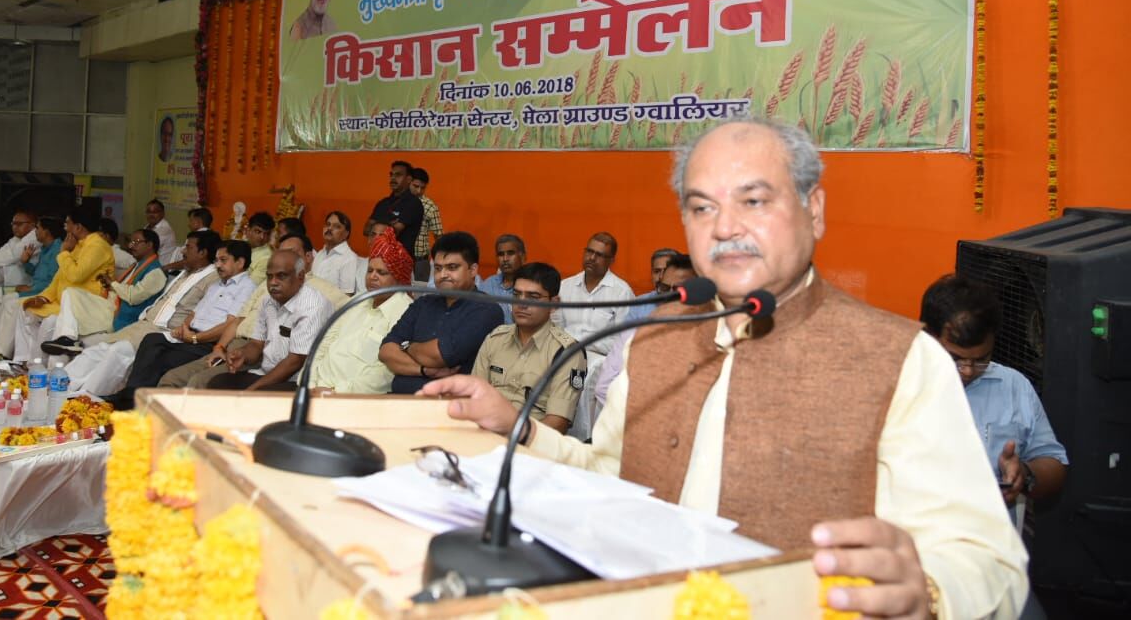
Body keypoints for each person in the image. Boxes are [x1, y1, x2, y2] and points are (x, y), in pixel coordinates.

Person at [422, 117, 1028, 619]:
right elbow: (613, 477)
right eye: (702, 207)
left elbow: (987, 558)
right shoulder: (653, 338)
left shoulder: (899, 358)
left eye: (754, 200)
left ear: (813, 210)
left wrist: (926, 591)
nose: (726, 228)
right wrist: (520, 427)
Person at [920, 274, 1068, 510]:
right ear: (926, 336)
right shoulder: (893, 383)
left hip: (988, 542)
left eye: (981, 360)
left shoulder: (1013, 387)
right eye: (954, 358)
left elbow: (1054, 463)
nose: (967, 371)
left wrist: (1025, 475)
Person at [61, 231, 219, 392]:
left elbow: (203, 315)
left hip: (165, 332)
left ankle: (88, 397)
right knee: (100, 348)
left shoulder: (213, 279)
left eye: (188, 247)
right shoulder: (185, 273)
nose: (183, 251)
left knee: (118, 351)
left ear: (203, 253)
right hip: (145, 324)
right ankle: (61, 384)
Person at [105, 239, 254, 409]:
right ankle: (132, 395)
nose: (217, 265)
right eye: (216, 260)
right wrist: (184, 328)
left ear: (240, 262)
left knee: (162, 357)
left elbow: (230, 324)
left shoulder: (246, 287)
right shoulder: (217, 284)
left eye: (223, 260)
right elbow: (194, 312)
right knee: (152, 339)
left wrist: (196, 337)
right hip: (190, 335)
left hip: (207, 342)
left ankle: (135, 402)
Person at [379, 231, 503, 395]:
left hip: (448, 408)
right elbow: (386, 352)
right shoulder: (423, 303)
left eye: (452, 267)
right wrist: (424, 370)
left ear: (473, 270)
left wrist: (407, 346)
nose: (442, 275)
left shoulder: (486, 309)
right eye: (438, 268)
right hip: (399, 401)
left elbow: (438, 356)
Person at [472, 262, 586, 434]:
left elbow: (557, 423)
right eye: (517, 295)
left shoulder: (567, 352)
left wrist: (508, 439)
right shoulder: (495, 338)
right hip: (484, 434)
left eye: (533, 297)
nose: (521, 303)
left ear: (554, 304)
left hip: (529, 445)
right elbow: (473, 397)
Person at [206, 249, 334, 392]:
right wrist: (242, 353)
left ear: (300, 277)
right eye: (269, 276)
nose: (273, 282)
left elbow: (295, 361)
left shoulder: (312, 305)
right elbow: (256, 344)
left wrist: (252, 390)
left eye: (281, 276)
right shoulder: (268, 301)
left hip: (297, 381)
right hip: (267, 374)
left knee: (255, 398)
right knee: (218, 383)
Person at [305, 228, 413, 394]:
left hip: (350, 399)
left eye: (381, 273)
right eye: (370, 271)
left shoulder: (406, 313)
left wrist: (335, 392)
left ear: (399, 278)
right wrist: (308, 382)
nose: (372, 277)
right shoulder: (358, 301)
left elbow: (384, 375)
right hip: (314, 389)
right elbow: (325, 342)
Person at [555, 231, 634, 439]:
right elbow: (556, 326)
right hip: (565, 350)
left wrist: (584, 345)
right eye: (589, 251)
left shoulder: (621, 292)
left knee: (588, 372)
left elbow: (621, 341)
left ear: (611, 260)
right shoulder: (566, 286)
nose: (592, 258)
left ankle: (585, 437)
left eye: (599, 255)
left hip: (600, 356)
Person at [594, 252, 696, 410]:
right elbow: (603, 388)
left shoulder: (714, 335)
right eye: (663, 288)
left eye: (677, 291)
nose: (667, 296)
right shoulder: (634, 334)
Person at [39, 229, 167, 354]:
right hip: (110, 306)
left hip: (121, 316)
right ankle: (68, 338)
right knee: (70, 292)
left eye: (136, 242)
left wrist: (113, 283)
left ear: (150, 245)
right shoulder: (136, 266)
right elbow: (122, 290)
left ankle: (68, 341)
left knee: (62, 311)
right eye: (130, 242)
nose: (130, 245)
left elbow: (133, 296)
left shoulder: (156, 272)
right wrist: (109, 285)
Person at [11, 210, 114, 361]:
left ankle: (36, 364)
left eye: (67, 223)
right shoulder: (78, 245)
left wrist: (64, 252)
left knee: (50, 321)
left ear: (78, 227)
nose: (65, 228)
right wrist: (44, 297)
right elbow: (59, 278)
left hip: (84, 305)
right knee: (25, 307)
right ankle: (23, 358)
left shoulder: (97, 246)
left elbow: (75, 275)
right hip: (62, 301)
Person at [0, 217, 63, 354]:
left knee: (10, 302)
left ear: (46, 231)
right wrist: (25, 262)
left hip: (41, 293)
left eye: (38, 228)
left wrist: (31, 288)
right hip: (33, 287)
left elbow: (53, 282)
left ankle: (1, 350)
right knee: (0, 292)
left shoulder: (57, 250)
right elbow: (37, 273)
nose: (35, 232)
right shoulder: (46, 249)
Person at [369, 161, 424, 256]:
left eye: (398, 175)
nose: (393, 178)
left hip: (400, 261)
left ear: (408, 179)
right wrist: (389, 224)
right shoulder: (383, 202)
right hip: (378, 257)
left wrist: (378, 224)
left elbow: (393, 232)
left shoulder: (413, 203)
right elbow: (366, 229)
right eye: (391, 175)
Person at [623, 247, 685, 324]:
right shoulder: (638, 304)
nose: (661, 277)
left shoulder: (691, 303)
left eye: (667, 271)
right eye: (657, 271)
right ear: (651, 274)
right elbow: (627, 335)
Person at [479, 234, 527, 324]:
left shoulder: (531, 286)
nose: (505, 259)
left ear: (523, 257)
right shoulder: (488, 285)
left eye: (510, 253)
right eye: (501, 254)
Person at [311, 210, 359, 295]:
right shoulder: (320, 254)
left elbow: (346, 296)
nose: (329, 228)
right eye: (328, 224)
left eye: (337, 226)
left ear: (346, 234)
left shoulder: (349, 258)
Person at [409, 167, 444, 282]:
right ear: (408, 182)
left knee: (421, 295)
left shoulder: (430, 207)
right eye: (415, 186)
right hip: (399, 257)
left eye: (422, 188)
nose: (419, 191)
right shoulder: (398, 202)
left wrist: (440, 262)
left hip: (420, 262)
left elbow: (439, 237)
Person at [163, 207, 212, 273]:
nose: (188, 224)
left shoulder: (199, 239)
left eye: (191, 220)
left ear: (198, 221)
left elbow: (188, 261)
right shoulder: (207, 236)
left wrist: (166, 267)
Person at [353, 220, 391, 294]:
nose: (376, 239)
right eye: (373, 235)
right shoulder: (357, 263)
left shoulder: (399, 265)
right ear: (369, 239)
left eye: (382, 235)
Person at [242, 212, 274, 285]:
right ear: (248, 230)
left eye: (267, 234)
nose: (262, 237)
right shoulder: (239, 246)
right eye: (258, 231)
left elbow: (251, 286)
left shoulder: (267, 258)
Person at [145, 199, 178, 266]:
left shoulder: (164, 230)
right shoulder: (148, 226)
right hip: (150, 264)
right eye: (148, 212)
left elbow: (145, 248)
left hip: (161, 268)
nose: (151, 215)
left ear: (163, 213)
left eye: (155, 212)